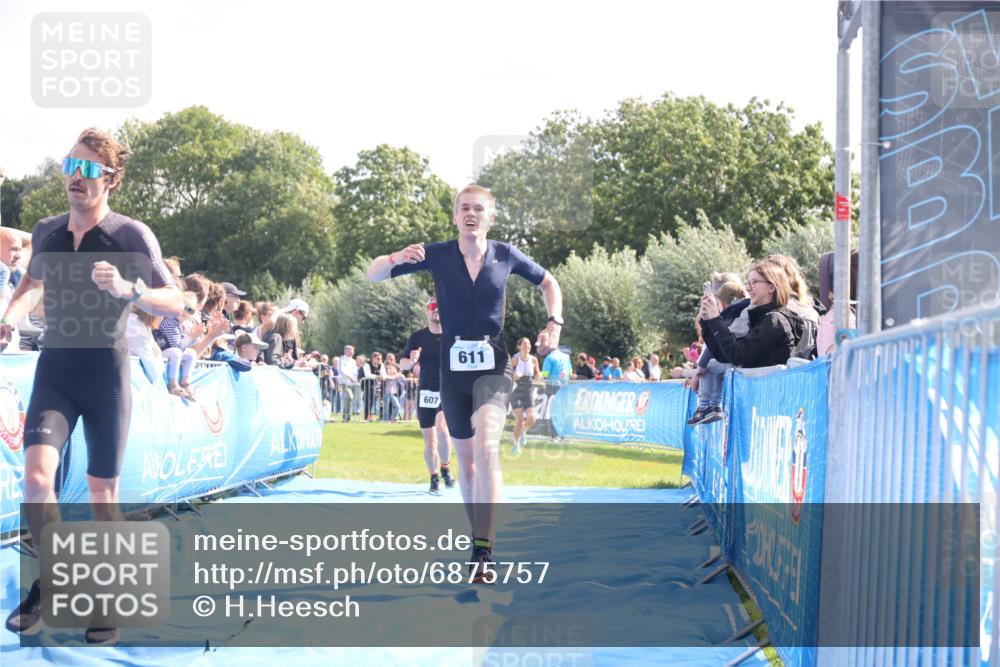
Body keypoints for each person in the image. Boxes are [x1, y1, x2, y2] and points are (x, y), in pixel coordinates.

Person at [1, 128, 184, 645]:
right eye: (69, 166)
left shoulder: (130, 235)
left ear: (111, 180)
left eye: (87, 170)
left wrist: (132, 290)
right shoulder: (47, 230)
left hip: (105, 373)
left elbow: (179, 301)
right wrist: (9, 319)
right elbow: (30, 286)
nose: (75, 178)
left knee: (105, 498)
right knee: (37, 479)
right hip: (55, 370)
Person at [368, 184, 563, 582]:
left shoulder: (506, 254)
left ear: (491, 217)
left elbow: (550, 283)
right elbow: (374, 275)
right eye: (463, 209)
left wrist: (554, 322)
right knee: (467, 462)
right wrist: (393, 257)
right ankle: (477, 538)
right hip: (452, 372)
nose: (470, 214)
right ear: (455, 216)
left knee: (488, 446)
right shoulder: (436, 254)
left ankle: (483, 551)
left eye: (478, 209)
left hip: (494, 364)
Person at [699, 260, 808, 370]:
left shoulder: (776, 321)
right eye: (747, 283)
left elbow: (738, 355)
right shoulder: (763, 318)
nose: (747, 288)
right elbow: (725, 355)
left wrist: (715, 319)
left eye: (754, 282)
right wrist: (707, 321)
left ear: (771, 287)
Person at [403, 297, 456, 494]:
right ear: (427, 311)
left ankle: (446, 467)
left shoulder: (452, 335)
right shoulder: (417, 337)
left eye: (440, 307)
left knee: (442, 430)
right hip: (425, 391)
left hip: (446, 390)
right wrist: (411, 360)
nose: (436, 311)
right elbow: (403, 363)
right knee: (430, 440)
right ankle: (434, 476)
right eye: (432, 307)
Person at [509, 337, 541, 455]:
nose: (527, 346)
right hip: (516, 391)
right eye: (524, 344)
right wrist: (514, 375)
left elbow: (538, 373)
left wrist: (539, 376)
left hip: (528, 391)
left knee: (532, 418)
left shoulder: (533, 360)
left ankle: (523, 432)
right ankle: (516, 444)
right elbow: (506, 373)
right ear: (519, 346)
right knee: (519, 420)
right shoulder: (515, 359)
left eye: (528, 344)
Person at [337, 345, 359, 422]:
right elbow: (343, 371)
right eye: (350, 351)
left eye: (353, 351)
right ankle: (347, 415)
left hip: (352, 383)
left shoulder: (353, 361)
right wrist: (350, 378)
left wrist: (357, 379)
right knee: (349, 397)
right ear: (345, 351)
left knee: (349, 399)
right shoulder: (341, 359)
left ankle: (346, 416)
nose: (352, 352)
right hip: (344, 382)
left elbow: (355, 372)